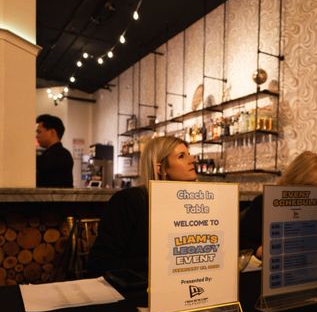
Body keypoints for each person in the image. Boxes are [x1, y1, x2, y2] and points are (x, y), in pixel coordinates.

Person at [87, 135, 197, 277]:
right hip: (139, 286)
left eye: (189, 154)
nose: (192, 159)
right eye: (182, 156)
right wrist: (157, 263)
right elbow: (99, 264)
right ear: (160, 168)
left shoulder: (197, 205)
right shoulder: (129, 201)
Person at [239, 151, 317, 259]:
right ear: (295, 180)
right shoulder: (264, 203)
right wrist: (259, 250)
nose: (312, 197)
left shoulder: (314, 209)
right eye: (310, 189)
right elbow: (240, 241)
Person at [35, 114, 73, 188]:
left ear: (52, 132)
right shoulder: (48, 154)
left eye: (39, 132)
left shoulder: (62, 155)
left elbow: (43, 163)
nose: (36, 136)